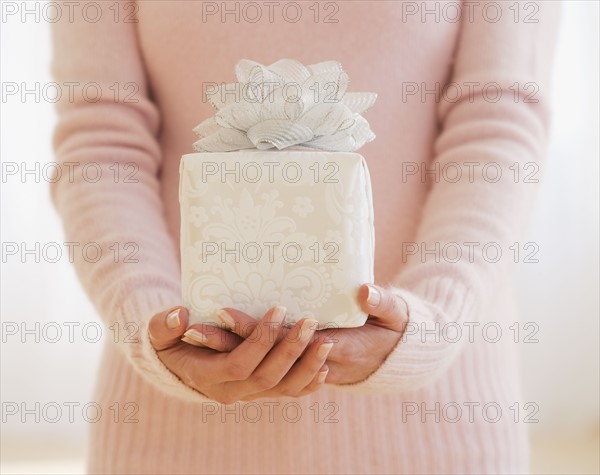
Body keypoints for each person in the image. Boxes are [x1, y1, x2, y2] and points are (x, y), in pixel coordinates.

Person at [50, 1, 559, 473]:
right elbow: (102, 138)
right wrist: (154, 321)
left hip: (438, 422)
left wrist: (434, 322)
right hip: (172, 432)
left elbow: (499, 117)